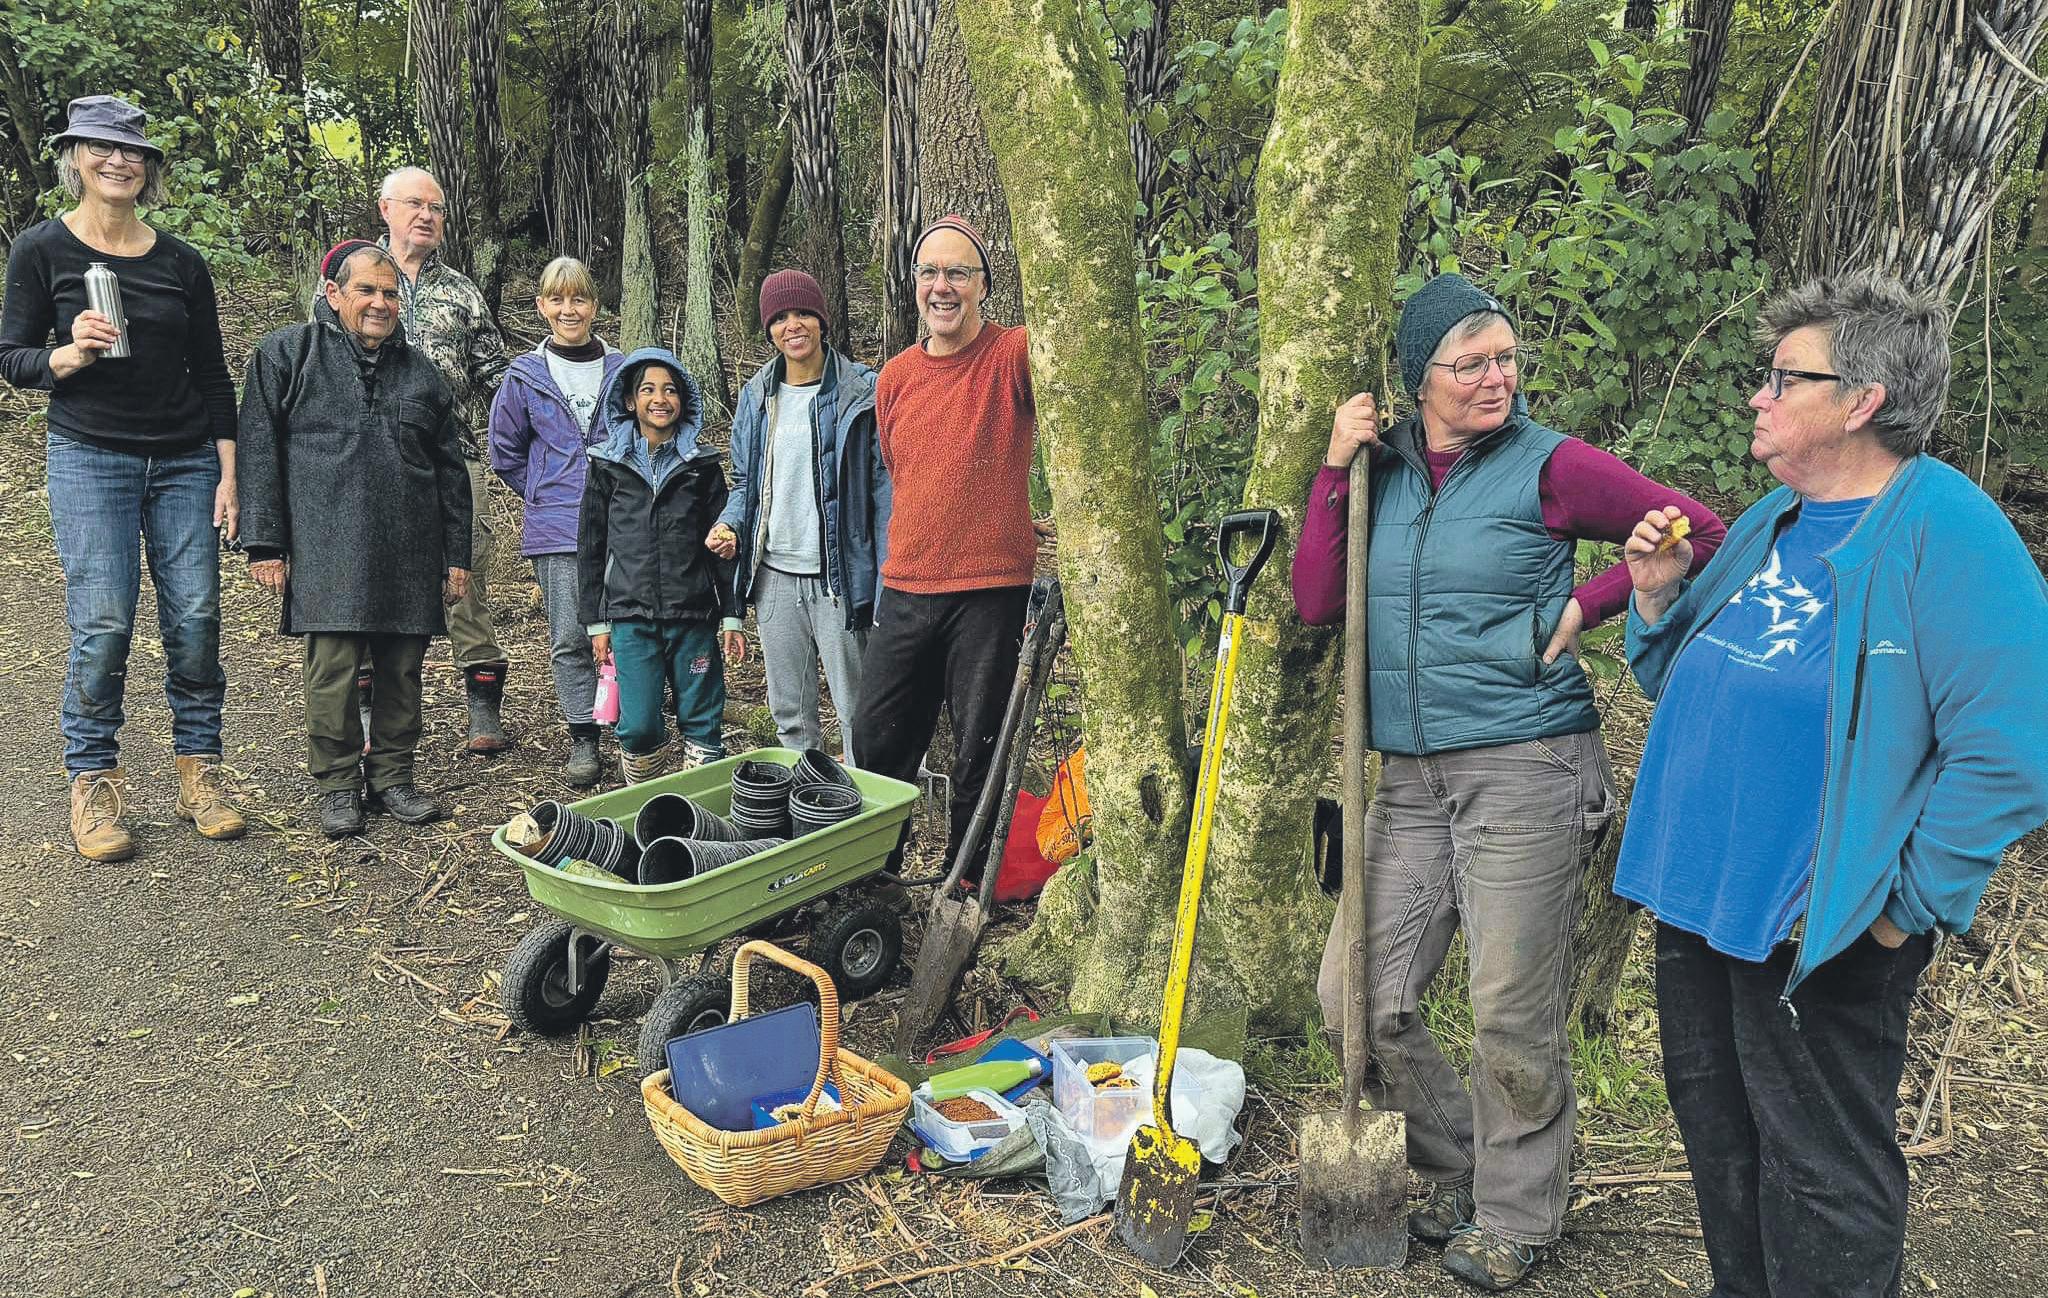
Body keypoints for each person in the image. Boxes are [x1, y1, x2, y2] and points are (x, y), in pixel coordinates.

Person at [1290, 271, 1728, 1291]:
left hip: (1526, 764)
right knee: (1356, 996)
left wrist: (1588, 603)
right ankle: (1461, 1162)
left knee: (1507, 1010)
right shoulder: (1383, 471)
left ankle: (1519, 1210)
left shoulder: (1550, 465)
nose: (1496, 379)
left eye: (1505, 359)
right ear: (1418, 378)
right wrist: (1334, 467)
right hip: (1407, 776)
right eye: (1469, 363)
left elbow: (1695, 528)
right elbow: (1316, 598)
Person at [1616, 271, 2048, 1298]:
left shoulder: (1945, 529)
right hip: (1700, 898)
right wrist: (1656, 601)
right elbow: (1685, 678)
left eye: (1783, 378)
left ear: (1861, 401)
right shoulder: (1776, 516)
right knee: (1721, 1143)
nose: (1757, 396)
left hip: (1819, 925)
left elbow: (2014, 749)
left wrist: (1902, 909)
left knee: (1822, 1175)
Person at [0, 94, 246, 862]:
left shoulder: (181, 262)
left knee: (196, 620)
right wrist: (67, 354)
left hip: (186, 460)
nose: (118, 161)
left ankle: (199, 772)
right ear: (75, 158)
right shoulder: (41, 250)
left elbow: (213, 374)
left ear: (148, 167)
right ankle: (94, 783)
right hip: (90, 456)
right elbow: (11, 357)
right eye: (102, 148)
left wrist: (229, 472)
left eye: (132, 150)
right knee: (104, 623)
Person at [237, 241, 473, 838]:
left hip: (410, 546)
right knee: (334, 672)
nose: (379, 303)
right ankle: (338, 784)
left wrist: (457, 557)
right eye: (366, 290)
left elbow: (450, 471)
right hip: (326, 543)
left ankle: (393, 777)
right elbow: (259, 450)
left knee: (404, 670)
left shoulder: (422, 374)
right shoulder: (287, 355)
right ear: (334, 293)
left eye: (390, 293)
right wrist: (265, 543)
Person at [852, 216, 1037, 871]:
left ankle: (965, 882)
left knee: (978, 748)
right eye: (930, 272)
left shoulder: (1012, 355)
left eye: (959, 272)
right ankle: (875, 875)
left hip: (989, 589)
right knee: (876, 740)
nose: (942, 286)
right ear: (914, 284)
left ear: (984, 284)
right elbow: (906, 471)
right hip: (906, 584)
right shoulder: (895, 378)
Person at [706, 269, 889, 762]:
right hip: (774, 577)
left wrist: (883, 580)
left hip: (838, 577)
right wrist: (731, 524)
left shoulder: (861, 392)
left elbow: (882, 489)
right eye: (781, 317)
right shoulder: (757, 395)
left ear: (822, 321)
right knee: (790, 711)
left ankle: (863, 801)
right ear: (768, 329)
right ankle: (807, 797)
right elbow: (745, 483)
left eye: (804, 313)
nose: (794, 326)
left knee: (856, 709)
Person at [375, 166, 514, 753]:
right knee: (374, 578)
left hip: (455, 456)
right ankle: (371, 713)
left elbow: (495, 372)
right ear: (386, 209)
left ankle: (483, 708)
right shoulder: (356, 278)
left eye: (436, 208)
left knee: (467, 576)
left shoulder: (461, 290)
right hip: (373, 462)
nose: (427, 216)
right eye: (416, 205)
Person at [486, 256, 623, 786]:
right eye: (558, 299)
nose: (570, 310)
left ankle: (631, 724)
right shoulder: (525, 376)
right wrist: (546, 491)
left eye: (579, 298)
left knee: (628, 626)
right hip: (557, 526)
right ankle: (584, 734)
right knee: (570, 633)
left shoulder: (623, 368)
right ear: (542, 306)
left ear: (594, 305)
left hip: (622, 521)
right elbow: (505, 451)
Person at [579, 350, 739, 783]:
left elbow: (722, 544)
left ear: (684, 401)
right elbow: (591, 547)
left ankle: (700, 800)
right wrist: (596, 621)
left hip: (694, 614)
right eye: (648, 389)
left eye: (670, 390)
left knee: (702, 717)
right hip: (630, 615)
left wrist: (731, 614)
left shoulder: (702, 466)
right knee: (638, 725)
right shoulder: (607, 465)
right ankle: (647, 795)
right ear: (630, 400)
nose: (659, 398)